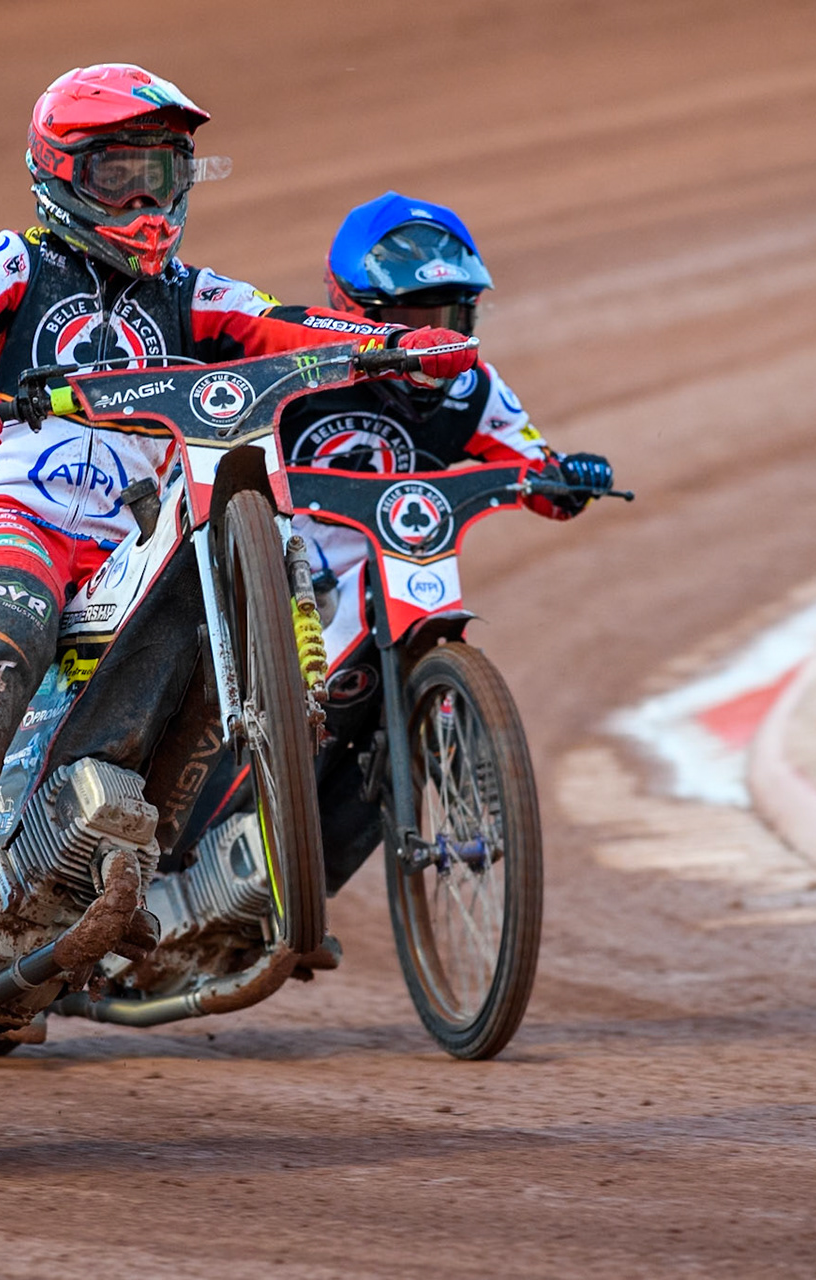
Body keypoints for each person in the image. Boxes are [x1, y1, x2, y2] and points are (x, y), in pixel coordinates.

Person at [0, 66, 481, 952]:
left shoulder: (194, 291)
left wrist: (396, 344)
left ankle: (118, 868)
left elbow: (290, 323)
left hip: (132, 536)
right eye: (121, 175)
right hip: (25, 517)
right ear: (62, 173)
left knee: (213, 647)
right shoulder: (19, 259)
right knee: (12, 624)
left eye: (166, 174)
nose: (146, 200)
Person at [280, 191, 613, 893]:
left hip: (397, 576)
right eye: (407, 321)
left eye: (448, 318)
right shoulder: (294, 369)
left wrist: (564, 481)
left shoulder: (475, 389)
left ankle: (457, 755)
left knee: (377, 680)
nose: (431, 342)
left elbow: (534, 465)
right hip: (280, 579)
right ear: (351, 311)